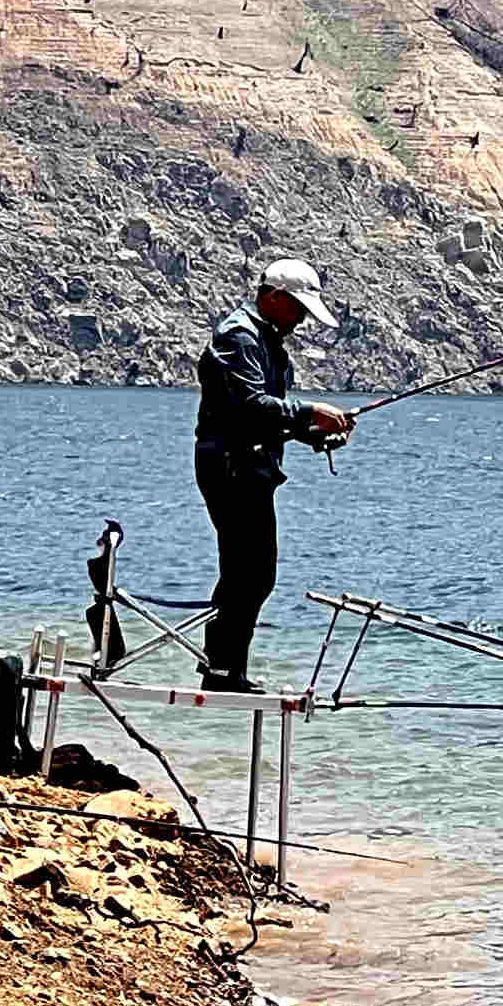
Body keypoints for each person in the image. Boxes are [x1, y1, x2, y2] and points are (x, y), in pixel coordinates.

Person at [194, 257, 354, 692]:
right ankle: (223, 670)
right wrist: (310, 411)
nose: (302, 318)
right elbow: (250, 406)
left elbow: (266, 418)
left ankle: (224, 668)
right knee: (250, 571)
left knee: (250, 571)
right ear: (274, 297)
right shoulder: (239, 337)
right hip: (232, 467)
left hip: (250, 467)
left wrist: (311, 433)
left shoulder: (267, 340)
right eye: (298, 307)